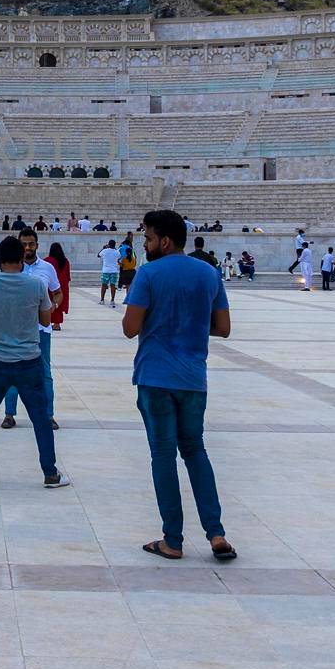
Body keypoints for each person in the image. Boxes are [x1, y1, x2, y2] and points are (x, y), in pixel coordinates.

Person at [124, 208, 236, 563]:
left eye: (148, 238)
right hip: (193, 378)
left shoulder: (149, 273)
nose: (145, 245)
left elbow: (130, 327)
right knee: (195, 451)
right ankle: (216, 534)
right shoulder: (209, 273)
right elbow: (222, 328)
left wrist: (161, 322)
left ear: (165, 240)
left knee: (163, 455)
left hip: (155, 377)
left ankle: (172, 539)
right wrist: (186, 324)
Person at [0, 235, 68, 489]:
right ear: (21, 259)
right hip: (29, 361)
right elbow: (44, 321)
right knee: (40, 419)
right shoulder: (36, 286)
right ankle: (50, 473)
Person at [2, 228, 61, 429]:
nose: (27, 248)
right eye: (24, 244)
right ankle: (9, 414)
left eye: (31, 244)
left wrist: (53, 307)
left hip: (40, 330)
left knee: (44, 373)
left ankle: (48, 415)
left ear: (37, 245)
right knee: (11, 372)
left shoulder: (47, 268)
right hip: (15, 328)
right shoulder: (10, 268)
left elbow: (58, 292)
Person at [45, 242, 71, 332]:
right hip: (62, 285)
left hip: (50, 285)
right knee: (58, 304)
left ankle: (47, 322)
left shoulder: (48, 260)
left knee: (49, 302)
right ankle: (57, 324)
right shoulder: (65, 261)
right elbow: (67, 275)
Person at [98, 239, 121, 308]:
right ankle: (112, 300)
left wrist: (104, 248)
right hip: (114, 270)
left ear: (108, 244)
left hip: (106, 270)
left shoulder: (104, 251)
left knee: (104, 285)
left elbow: (98, 255)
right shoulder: (117, 252)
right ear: (114, 245)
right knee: (113, 285)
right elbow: (119, 258)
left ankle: (102, 300)